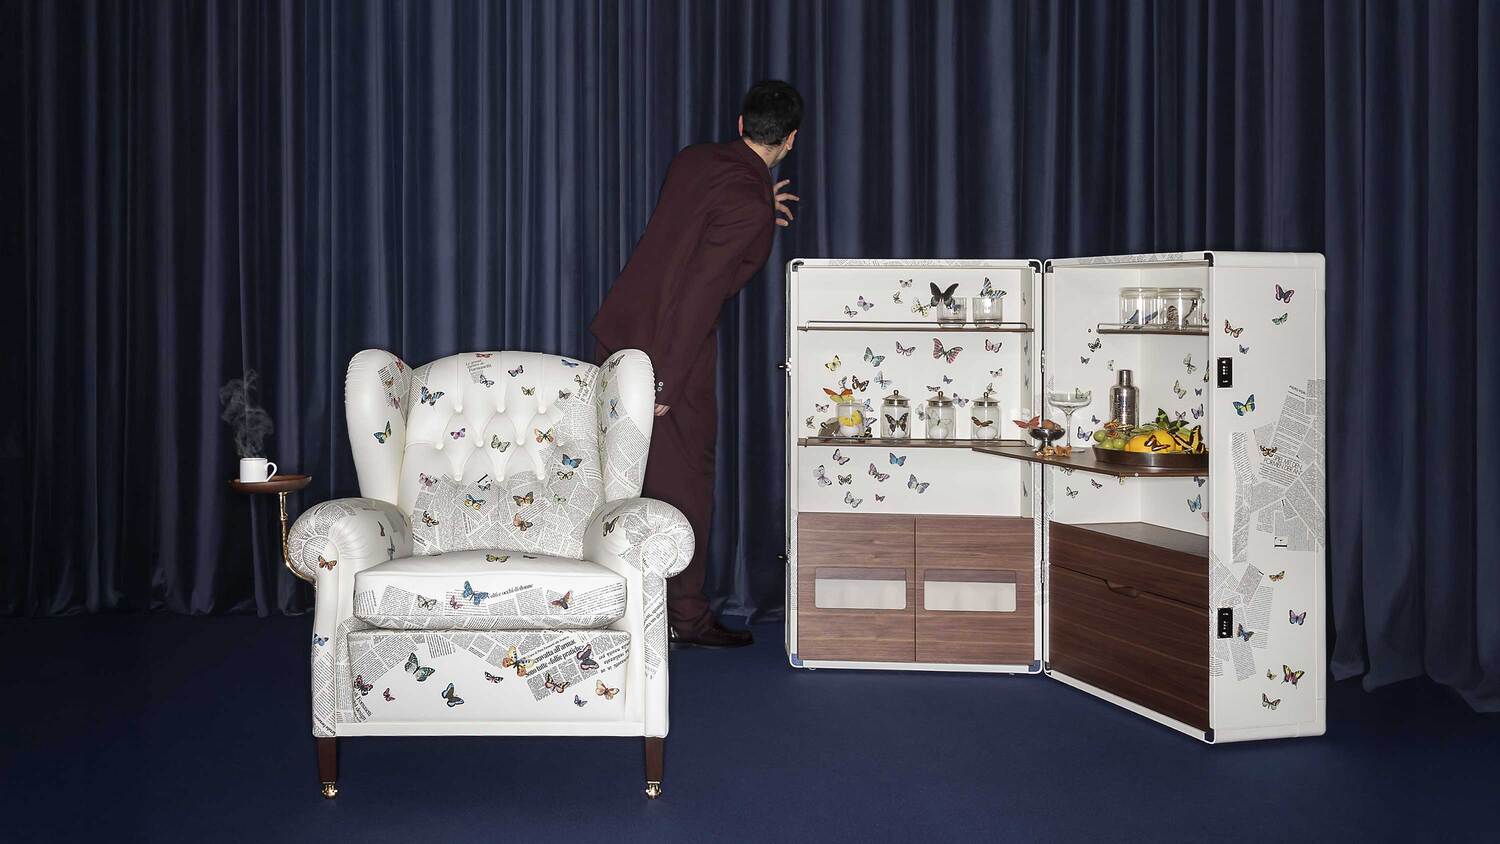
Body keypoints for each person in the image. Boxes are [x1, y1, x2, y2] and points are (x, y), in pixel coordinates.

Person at [591, 80, 802, 648]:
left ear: (740, 124)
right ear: (790, 139)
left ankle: (619, 604)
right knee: (686, 482)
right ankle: (685, 618)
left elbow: (696, 222)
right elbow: (698, 296)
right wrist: (664, 380)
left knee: (618, 476)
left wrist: (760, 206)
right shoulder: (749, 206)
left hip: (619, 333)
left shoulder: (693, 160)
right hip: (667, 352)